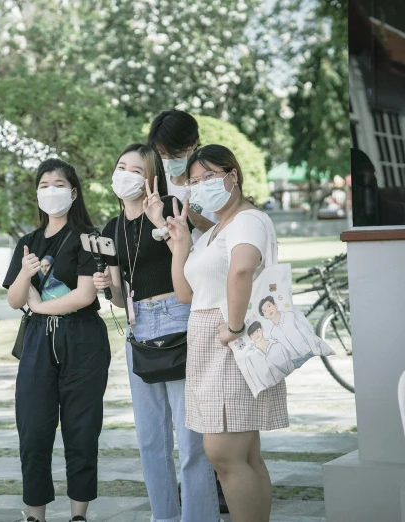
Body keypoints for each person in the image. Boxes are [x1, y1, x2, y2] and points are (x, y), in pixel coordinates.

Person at [93, 143, 221, 522]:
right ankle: (164, 516)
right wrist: (107, 284)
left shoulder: (169, 207)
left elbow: (192, 255)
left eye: (135, 170)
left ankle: (199, 517)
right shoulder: (111, 228)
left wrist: (157, 221)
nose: (125, 175)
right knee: (151, 439)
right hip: (139, 326)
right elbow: (118, 298)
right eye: (121, 167)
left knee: (190, 438)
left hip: (179, 317)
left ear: (151, 176)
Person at [167, 144, 289, 522]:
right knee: (244, 455)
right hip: (210, 343)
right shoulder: (216, 229)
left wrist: (233, 328)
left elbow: (242, 270)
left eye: (210, 176)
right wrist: (182, 245)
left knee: (223, 453)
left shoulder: (247, 220)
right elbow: (187, 293)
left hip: (230, 342)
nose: (202, 185)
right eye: (194, 181)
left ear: (232, 175)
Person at [3, 158, 111, 522]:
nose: (51, 191)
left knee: (82, 431)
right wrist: (25, 275)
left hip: (82, 340)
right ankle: (36, 515)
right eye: (44, 185)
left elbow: (83, 296)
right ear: (36, 193)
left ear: (74, 191)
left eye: (59, 184)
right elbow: (15, 299)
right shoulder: (29, 242)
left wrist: (39, 305)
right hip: (37, 344)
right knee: (33, 432)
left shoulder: (89, 237)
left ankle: (78, 514)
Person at [148, 109, 217, 242]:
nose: (168, 159)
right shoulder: (157, 185)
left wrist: (197, 221)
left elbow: (230, 235)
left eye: (175, 152)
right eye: (162, 153)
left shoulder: (214, 182)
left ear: (193, 143)